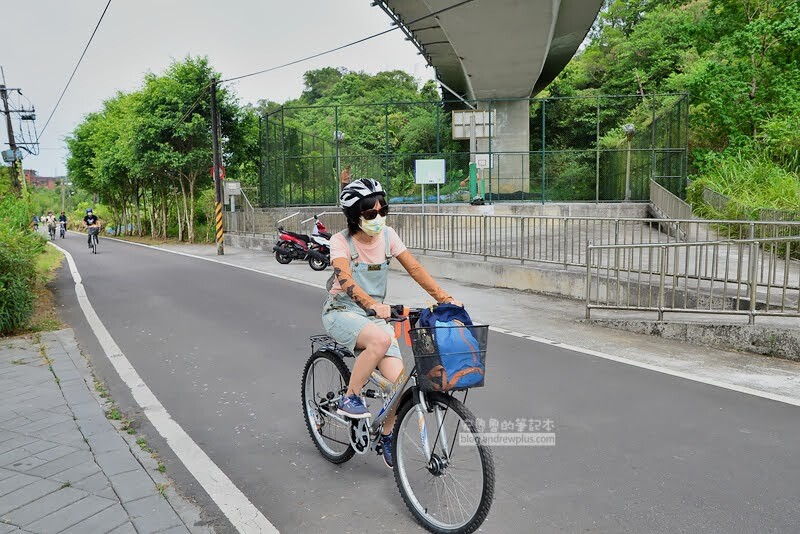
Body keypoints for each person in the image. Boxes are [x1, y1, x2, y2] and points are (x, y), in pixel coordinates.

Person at [321, 178, 461, 468]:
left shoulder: (388, 235)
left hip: (376, 315)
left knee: (400, 383)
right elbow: (345, 279)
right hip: (342, 311)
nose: (379, 218)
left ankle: (387, 434)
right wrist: (372, 305)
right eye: (370, 214)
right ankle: (351, 397)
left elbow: (414, 268)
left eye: (383, 211)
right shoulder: (340, 242)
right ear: (354, 217)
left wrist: (445, 298)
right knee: (381, 340)